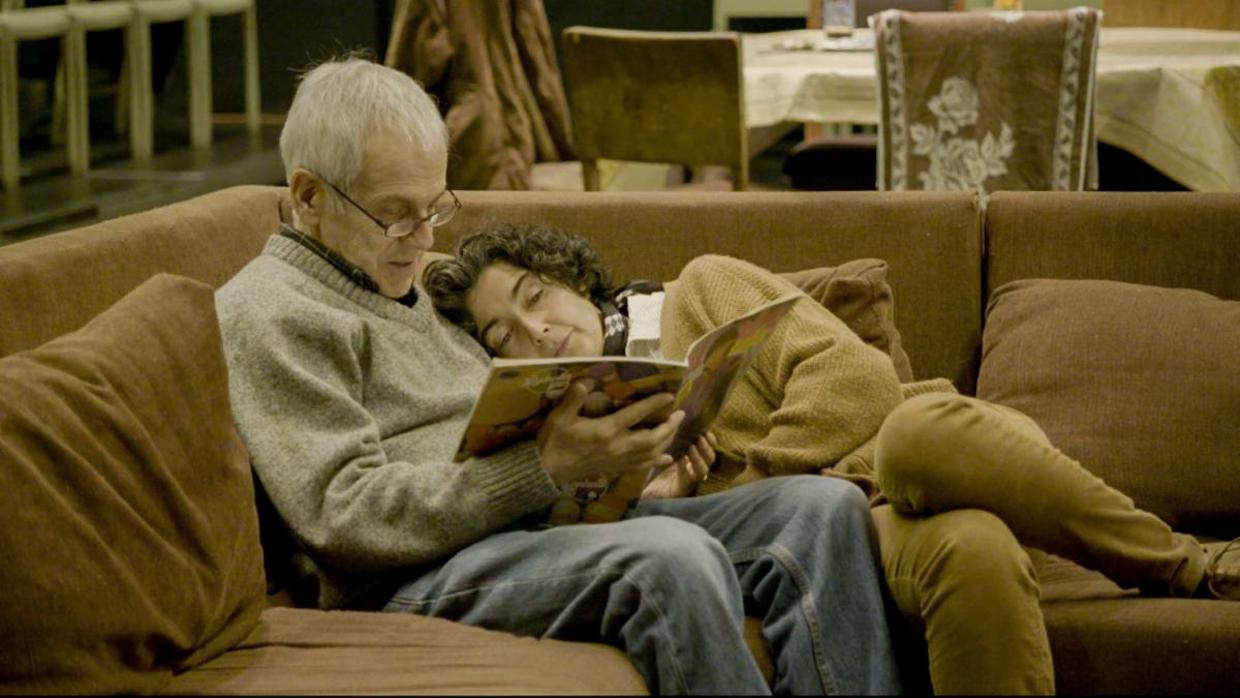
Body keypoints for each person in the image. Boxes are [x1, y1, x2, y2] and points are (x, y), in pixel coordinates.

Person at [215, 56, 903, 695]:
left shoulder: (396, 279)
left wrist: (611, 453)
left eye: (435, 208)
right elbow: (345, 519)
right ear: (308, 195)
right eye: (397, 214)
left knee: (820, 511)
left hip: (528, 529)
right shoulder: (269, 311)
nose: (425, 239)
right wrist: (542, 467)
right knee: (670, 558)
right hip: (410, 575)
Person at [423, 221, 1240, 695]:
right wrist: (662, 495)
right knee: (976, 553)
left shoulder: (698, 292)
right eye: (504, 336)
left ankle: (1187, 565)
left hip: (910, 467)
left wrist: (750, 473)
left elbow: (857, 380)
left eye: (533, 299)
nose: (535, 331)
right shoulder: (552, 435)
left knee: (919, 435)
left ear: (570, 276)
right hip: (849, 533)